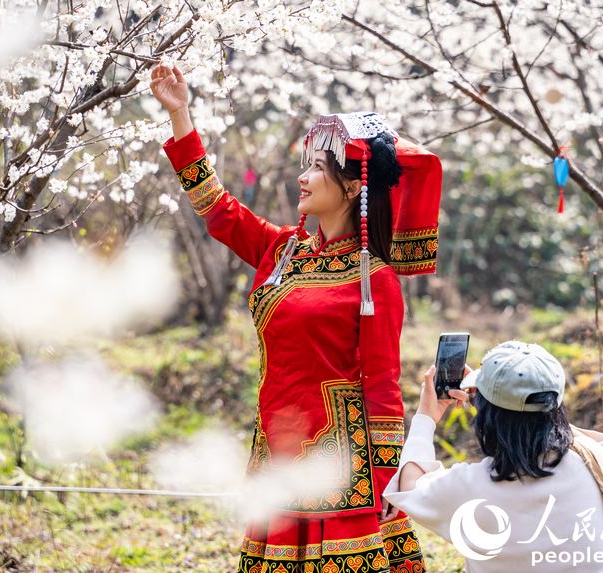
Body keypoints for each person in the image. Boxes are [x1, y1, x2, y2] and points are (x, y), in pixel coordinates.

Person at [150, 64, 442, 573]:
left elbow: (382, 386)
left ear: (351, 187)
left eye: (317, 169)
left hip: (342, 468)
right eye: (305, 166)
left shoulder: (374, 278)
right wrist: (181, 115)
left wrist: (384, 481)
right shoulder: (284, 250)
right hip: (276, 451)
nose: (302, 178)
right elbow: (217, 209)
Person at [382, 341, 603, 573]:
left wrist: (426, 415)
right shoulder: (591, 458)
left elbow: (410, 485)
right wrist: (492, 400)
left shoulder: (470, 487)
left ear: (488, 417)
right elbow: (557, 428)